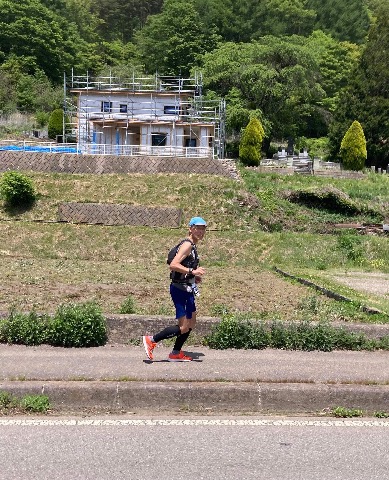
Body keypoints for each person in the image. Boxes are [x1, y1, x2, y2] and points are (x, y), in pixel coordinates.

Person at [142, 216, 207, 362]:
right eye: (197, 228)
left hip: (187, 288)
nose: (200, 231)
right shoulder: (187, 245)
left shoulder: (192, 245)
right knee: (184, 326)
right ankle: (152, 340)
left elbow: (181, 267)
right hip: (180, 290)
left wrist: (192, 277)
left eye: (203, 229)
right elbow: (173, 265)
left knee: (192, 322)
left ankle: (176, 353)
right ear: (190, 229)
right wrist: (192, 271)